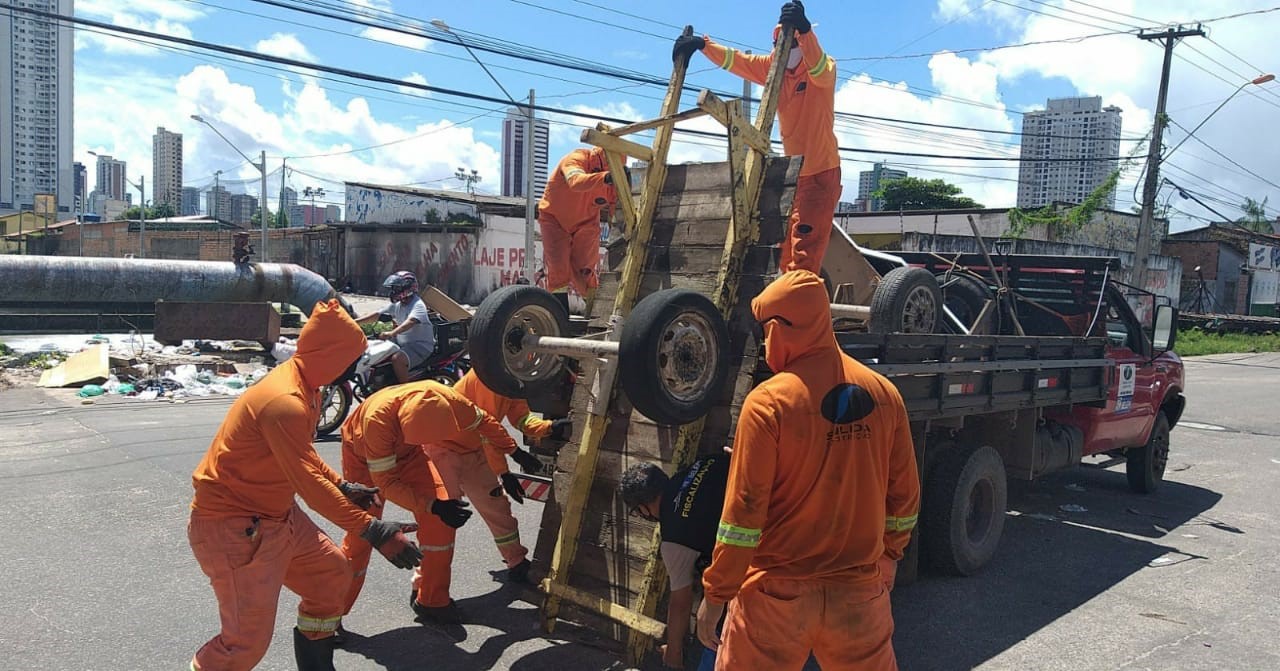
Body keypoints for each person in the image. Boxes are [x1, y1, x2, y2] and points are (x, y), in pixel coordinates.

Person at [694, 270, 921, 671]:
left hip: (776, 600)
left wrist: (716, 595)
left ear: (782, 328)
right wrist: (889, 557)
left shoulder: (768, 405)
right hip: (859, 594)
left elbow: (743, 516)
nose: (765, 341)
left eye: (767, 329)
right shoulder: (885, 394)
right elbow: (904, 499)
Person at [188, 298, 423, 671]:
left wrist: (343, 487)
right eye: (351, 358)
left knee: (330, 577)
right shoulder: (286, 401)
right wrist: (375, 531)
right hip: (233, 525)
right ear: (332, 355)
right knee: (243, 646)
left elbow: (304, 461)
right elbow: (309, 486)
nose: (354, 367)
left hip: (276, 516)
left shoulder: (308, 387)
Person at [338, 380, 529, 626]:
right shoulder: (377, 422)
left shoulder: (450, 400)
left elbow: (484, 423)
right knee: (362, 534)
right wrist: (432, 505)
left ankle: (432, 600)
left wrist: (513, 450)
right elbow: (386, 483)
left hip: (411, 455)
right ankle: (330, 615)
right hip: (363, 459)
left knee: (440, 522)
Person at [674, 1, 841, 274]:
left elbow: (821, 67)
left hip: (821, 175)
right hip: (792, 177)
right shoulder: (774, 68)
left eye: (790, 42)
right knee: (780, 250)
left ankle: (795, 310)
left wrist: (806, 31)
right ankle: (782, 306)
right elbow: (737, 60)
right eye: (777, 44)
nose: (782, 49)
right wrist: (702, 45)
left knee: (802, 257)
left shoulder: (820, 70)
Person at [438, 368, 573, 583]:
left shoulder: (513, 380)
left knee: (497, 507)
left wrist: (549, 427)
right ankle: (426, 589)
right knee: (444, 517)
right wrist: (504, 472)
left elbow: (521, 418)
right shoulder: (488, 376)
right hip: (443, 449)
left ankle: (516, 562)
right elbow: (487, 430)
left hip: (472, 450)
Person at [620, 456, 729, 670]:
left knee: (712, 631)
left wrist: (673, 654)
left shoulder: (673, 539)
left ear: (643, 509)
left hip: (758, 565)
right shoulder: (702, 463)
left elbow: (680, 603)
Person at [537, 145, 626, 315]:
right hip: (554, 221)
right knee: (559, 272)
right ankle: (559, 322)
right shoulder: (576, 159)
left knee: (586, 273)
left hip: (586, 225)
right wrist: (606, 177)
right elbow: (576, 181)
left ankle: (597, 316)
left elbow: (617, 212)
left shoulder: (613, 180)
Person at [355, 270, 436, 384]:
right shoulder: (398, 305)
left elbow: (411, 321)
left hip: (420, 346)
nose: (393, 292)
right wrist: (354, 322)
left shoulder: (417, 304)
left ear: (408, 289)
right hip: (403, 343)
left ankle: (404, 390)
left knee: (397, 359)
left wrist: (391, 333)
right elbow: (377, 315)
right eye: (393, 288)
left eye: (397, 289)